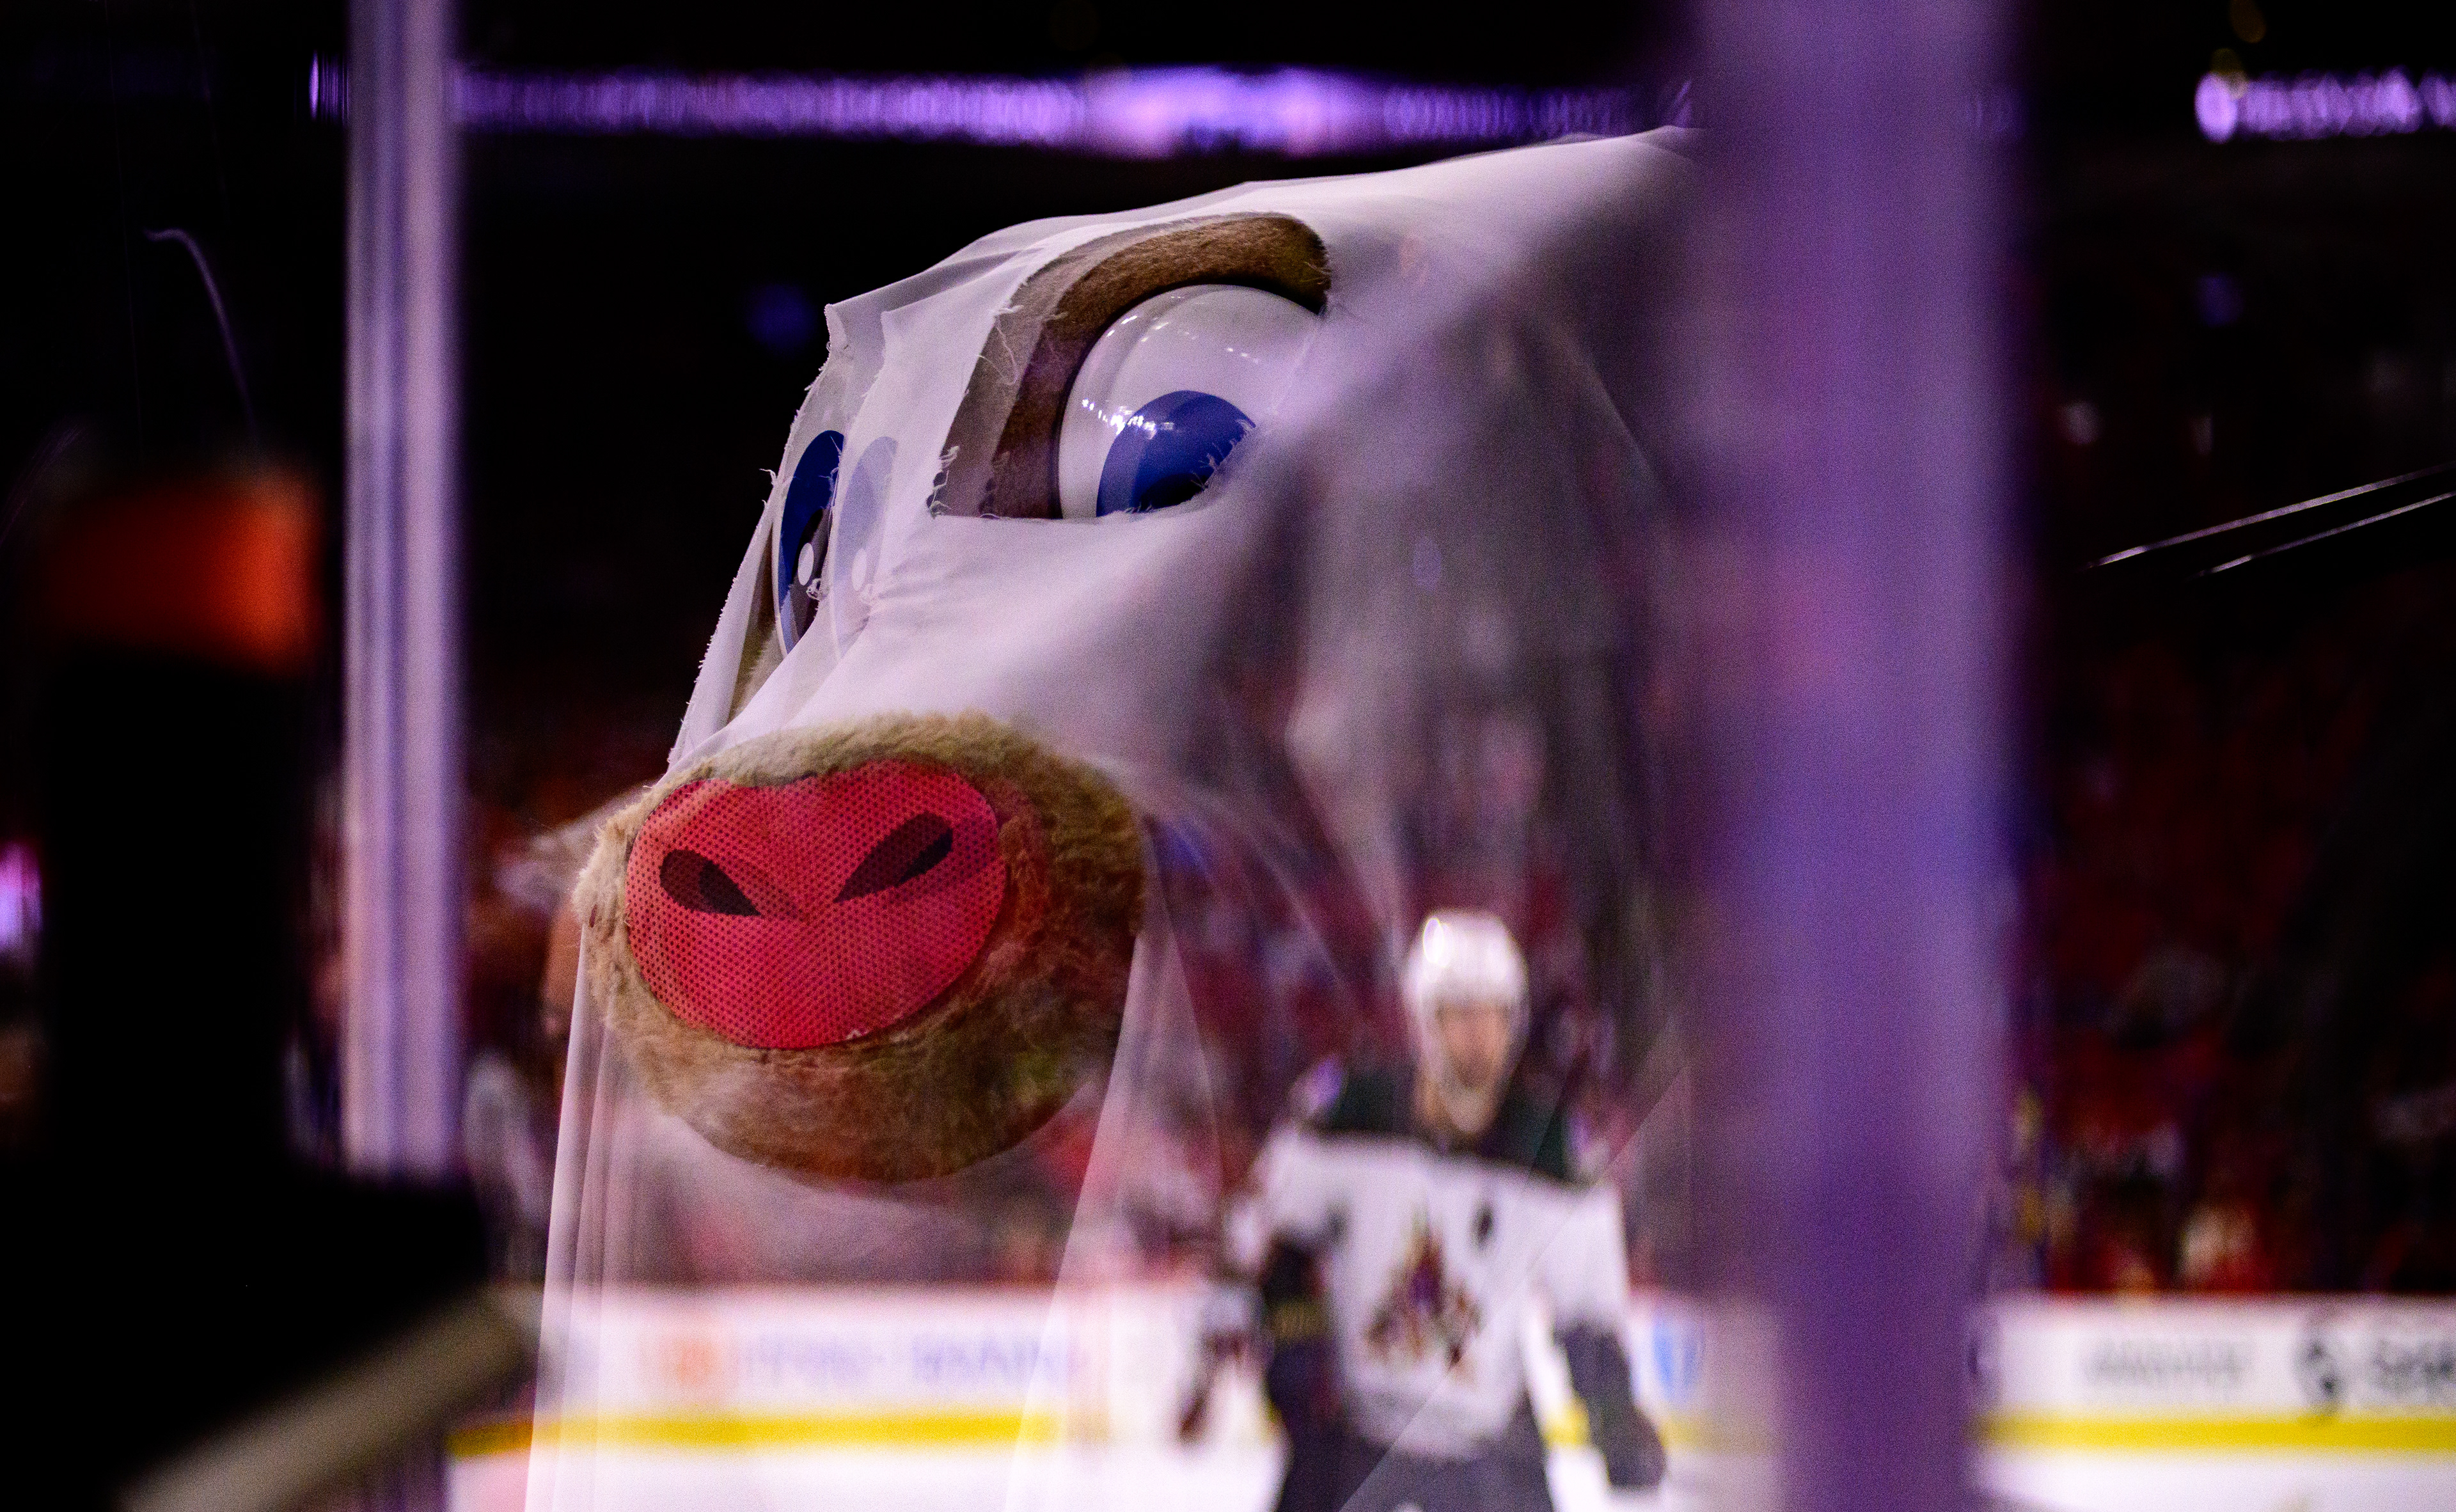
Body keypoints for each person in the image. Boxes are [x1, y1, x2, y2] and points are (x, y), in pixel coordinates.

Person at [1234, 910, 1665, 1512]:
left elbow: (1587, 1310)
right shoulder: (1345, 1116)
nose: (1479, 1039)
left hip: (1489, 1447)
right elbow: (1275, 1246)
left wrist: (1613, 1415)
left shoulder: (1553, 1152)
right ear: (1423, 1021)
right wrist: (1298, 1354)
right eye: (1461, 1014)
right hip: (1356, 1437)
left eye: (1494, 1016)